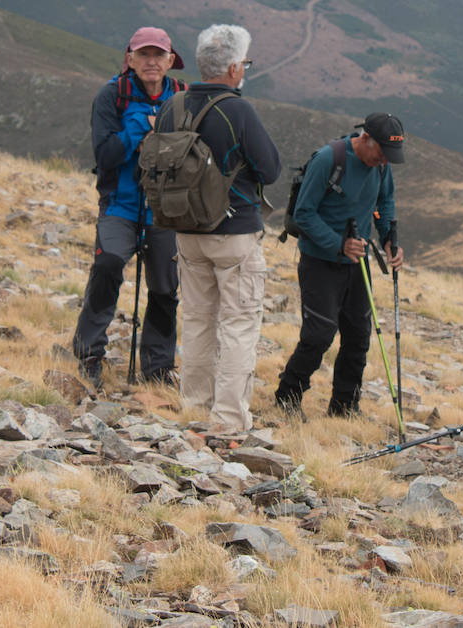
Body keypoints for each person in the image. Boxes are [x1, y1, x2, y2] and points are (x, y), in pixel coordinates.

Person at [173, 24, 282, 432]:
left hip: (185, 229)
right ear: (234, 67)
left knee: (197, 318)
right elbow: (270, 169)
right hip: (233, 231)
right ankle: (230, 418)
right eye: (245, 63)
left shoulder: (173, 105)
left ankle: (195, 407)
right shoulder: (237, 110)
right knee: (238, 323)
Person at [71, 27, 185, 388]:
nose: (151, 62)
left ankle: (158, 366)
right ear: (130, 59)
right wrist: (139, 126)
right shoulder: (112, 96)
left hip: (166, 209)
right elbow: (105, 155)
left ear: (170, 61)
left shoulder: (183, 97)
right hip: (120, 203)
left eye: (158, 55)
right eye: (143, 55)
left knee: (166, 288)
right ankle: (89, 352)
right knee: (107, 264)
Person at [274, 113, 406, 417]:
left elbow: (384, 202)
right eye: (382, 152)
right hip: (320, 261)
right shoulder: (329, 159)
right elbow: (304, 214)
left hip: (356, 262)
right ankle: (288, 395)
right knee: (319, 335)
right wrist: (338, 244)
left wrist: (388, 240)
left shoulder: (381, 165)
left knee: (358, 335)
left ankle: (344, 406)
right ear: (366, 139)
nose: (385, 161)